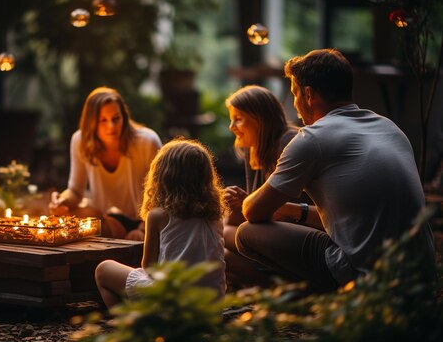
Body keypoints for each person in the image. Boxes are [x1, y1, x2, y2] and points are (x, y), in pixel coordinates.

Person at [230, 48, 435, 292]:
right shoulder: (389, 127)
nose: (294, 105)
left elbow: (253, 212)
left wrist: (259, 204)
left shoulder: (312, 138)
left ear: (308, 94)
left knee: (245, 233)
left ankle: (305, 296)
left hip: (365, 278)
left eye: (295, 95)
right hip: (421, 275)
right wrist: (293, 210)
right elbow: (355, 215)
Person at [94, 138, 229, 308]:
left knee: (103, 270)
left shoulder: (158, 215)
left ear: (163, 176)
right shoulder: (215, 216)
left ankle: (128, 324)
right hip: (211, 307)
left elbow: (149, 267)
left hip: (173, 304)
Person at [49, 87, 162, 240]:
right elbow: (75, 191)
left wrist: (144, 229)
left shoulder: (147, 142)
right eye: (103, 120)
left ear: (124, 116)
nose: (111, 126)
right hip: (107, 220)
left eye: (116, 118)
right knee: (67, 215)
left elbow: (162, 193)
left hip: (148, 220)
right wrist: (61, 202)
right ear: (91, 123)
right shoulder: (80, 141)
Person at [221, 85, 301, 288]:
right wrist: (240, 201)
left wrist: (246, 200)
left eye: (238, 118)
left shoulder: (288, 144)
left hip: (298, 235)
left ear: (260, 118)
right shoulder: (254, 148)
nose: (231, 126)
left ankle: (286, 285)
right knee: (220, 236)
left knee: (220, 240)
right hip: (270, 228)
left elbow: (287, 212)